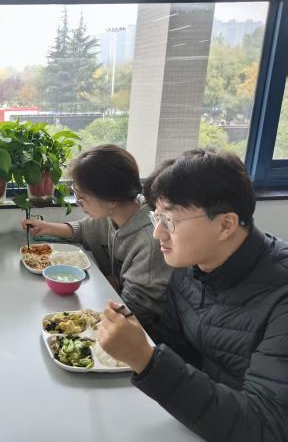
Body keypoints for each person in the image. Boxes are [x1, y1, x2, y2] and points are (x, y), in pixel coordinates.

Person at [98, 149, 288, 441]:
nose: (157, 233)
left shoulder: (280, 297)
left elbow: (265, 426)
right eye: (156, 217)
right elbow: (178, 348)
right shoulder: (192, 266)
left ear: (225, 225)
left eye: (170, 220)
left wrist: (147, 361)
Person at [20, 144, 171, 337]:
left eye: (81, 197)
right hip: (116, 311)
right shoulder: (115, 213)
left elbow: (130, 312)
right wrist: (47, 227)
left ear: (111, 200)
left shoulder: (149, 241)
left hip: (141, 334)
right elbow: (85, 230)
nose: (78, 202)